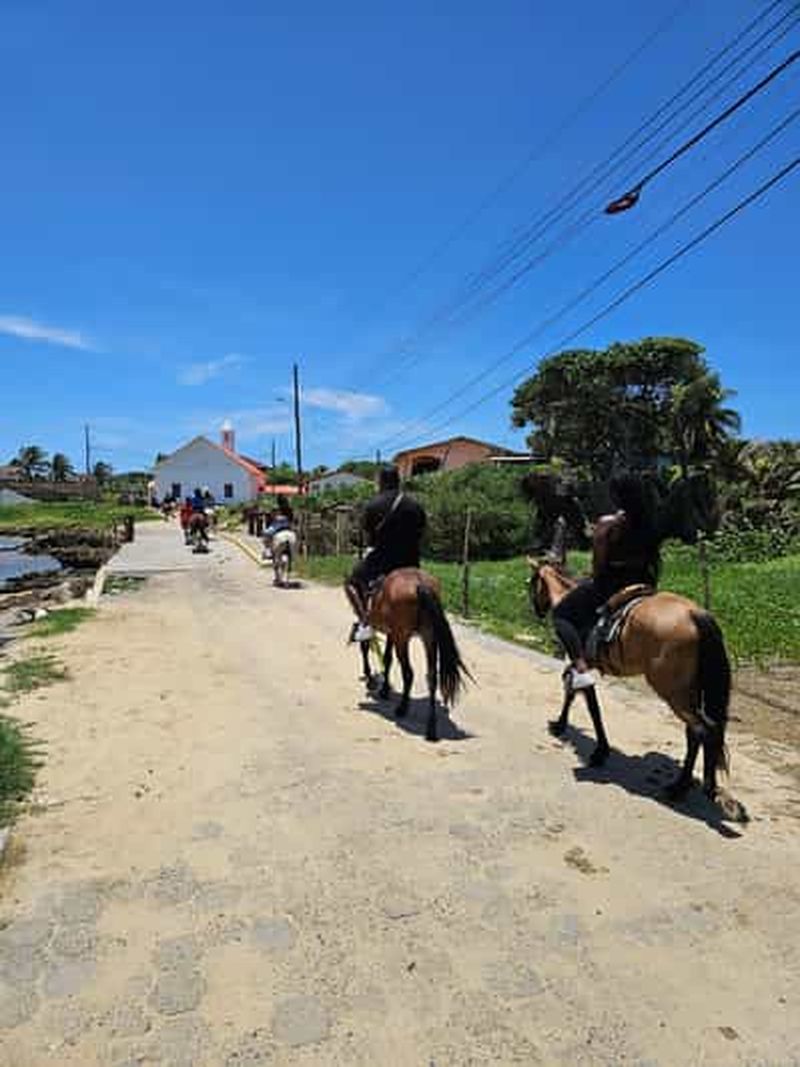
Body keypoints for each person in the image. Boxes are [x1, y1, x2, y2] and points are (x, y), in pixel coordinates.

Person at [552, 473, 661, 691]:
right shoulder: (651, 523)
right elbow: (655, 560)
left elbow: (599, 564)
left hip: (612, 584)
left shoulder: (608, 523)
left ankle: (581, 669)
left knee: (561, 614)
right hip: (645, 582)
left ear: (617, 496)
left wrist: (594, 577)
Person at [344, 466, 426, 643]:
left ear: (381, 482)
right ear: (398, 481)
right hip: (411, 562)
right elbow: (421, 532)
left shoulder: (373, 505)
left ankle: (365, 623)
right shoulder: (415, 504)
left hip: (382, 561)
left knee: (350, 582)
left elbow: (369, 536)